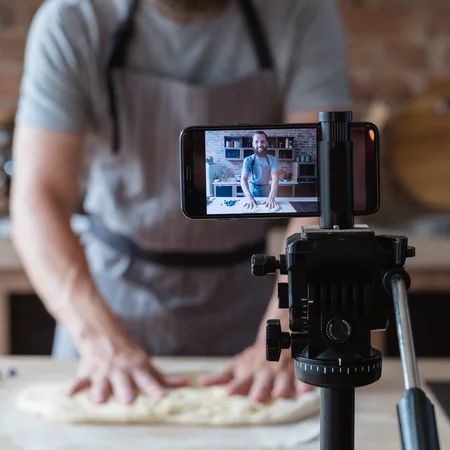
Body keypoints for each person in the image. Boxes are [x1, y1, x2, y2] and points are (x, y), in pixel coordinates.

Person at [10, 0, 350, 405]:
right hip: (106, 309)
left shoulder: (301, 13)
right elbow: (37, 198)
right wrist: (99, 339)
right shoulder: (74, 19)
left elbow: (322, 192)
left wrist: (282, 333)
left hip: (250, 312)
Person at [241, 131, 279, 210]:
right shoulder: (247, 160)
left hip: (267, 192)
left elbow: (275, 178)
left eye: (262, 142)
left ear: (266, 143)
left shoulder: (273, 160)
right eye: (256, 142)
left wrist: (271, 197)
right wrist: (249, 197)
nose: (260, 145)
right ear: (253, 144)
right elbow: (243, 178)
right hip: (252, 192)